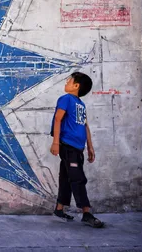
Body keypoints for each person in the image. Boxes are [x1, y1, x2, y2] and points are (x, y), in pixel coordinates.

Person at [50, 72, 104, 228]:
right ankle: (86, 212)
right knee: (78, 178)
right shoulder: (65, 99)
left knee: (67, 178)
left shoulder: (80, 104)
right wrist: (56, 143)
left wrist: (90, 147)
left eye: (69, 80)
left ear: (76, 86)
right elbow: (58, 119)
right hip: (68, 146)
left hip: (78, 147)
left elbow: (85, 126)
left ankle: (59, 209)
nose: (66, 82)